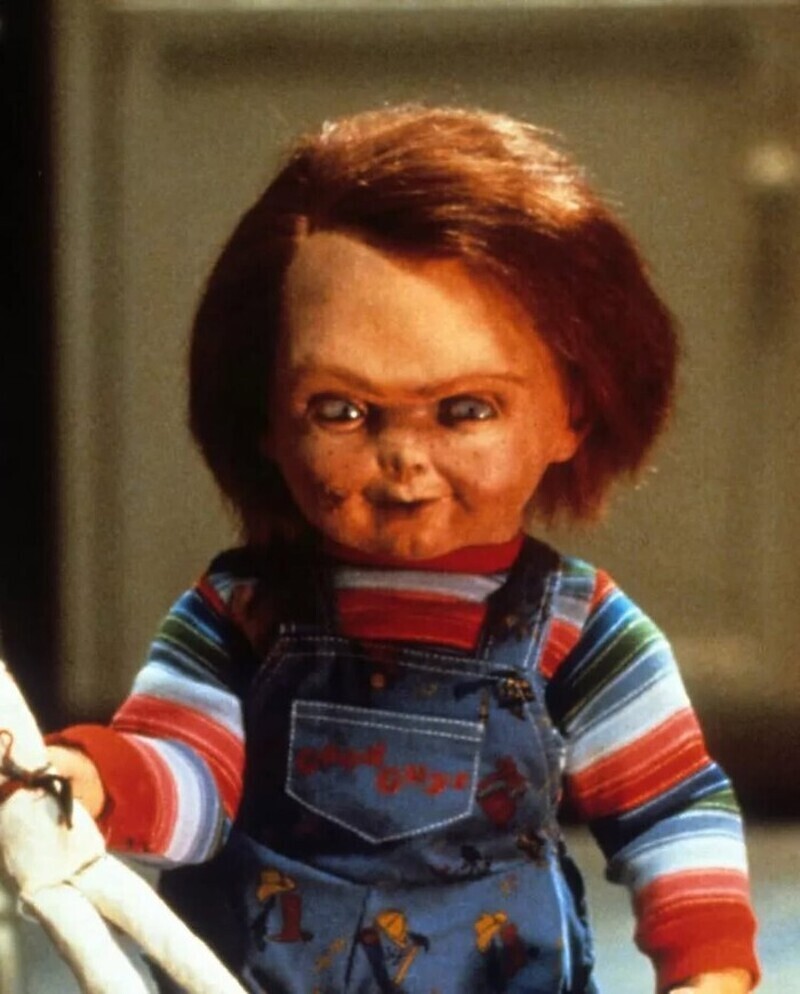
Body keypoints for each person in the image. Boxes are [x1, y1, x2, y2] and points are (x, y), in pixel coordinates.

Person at [46, 106, 759, 993]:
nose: (403, 459)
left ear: (573, 412)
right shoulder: (240, 612)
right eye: (341, 410)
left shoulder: (581, 632)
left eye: (466, 410)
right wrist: (92, 782)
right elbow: (188, 778)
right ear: (263, 417)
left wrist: (708, 968)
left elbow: (671, 809)